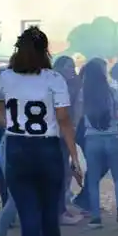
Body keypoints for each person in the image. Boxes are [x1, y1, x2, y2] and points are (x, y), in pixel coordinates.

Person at [0, 26, 80, 236]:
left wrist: (12, 125)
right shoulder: (54, 79)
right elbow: (64, 120)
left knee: (28, 219)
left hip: (18, 148)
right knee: (49, 218)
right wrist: (74, 157)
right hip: (47, 149)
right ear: (45, 50)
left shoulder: (6, 77)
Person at [82, 58, 118, 229]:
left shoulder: (84, 93)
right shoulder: (114, 91)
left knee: (93, 179)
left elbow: (75, 117)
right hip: (113, 137)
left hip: (92, 138)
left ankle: (95, 217)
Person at [54, 56, 84, 225]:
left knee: (65, 172)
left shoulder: (72, 86)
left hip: (63, 134)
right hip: (57, 134)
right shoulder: (57, 86)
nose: (72, 70)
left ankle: (61, 207)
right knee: (61, 172)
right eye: (68, 67)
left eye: (73, 66)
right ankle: (59, 212)